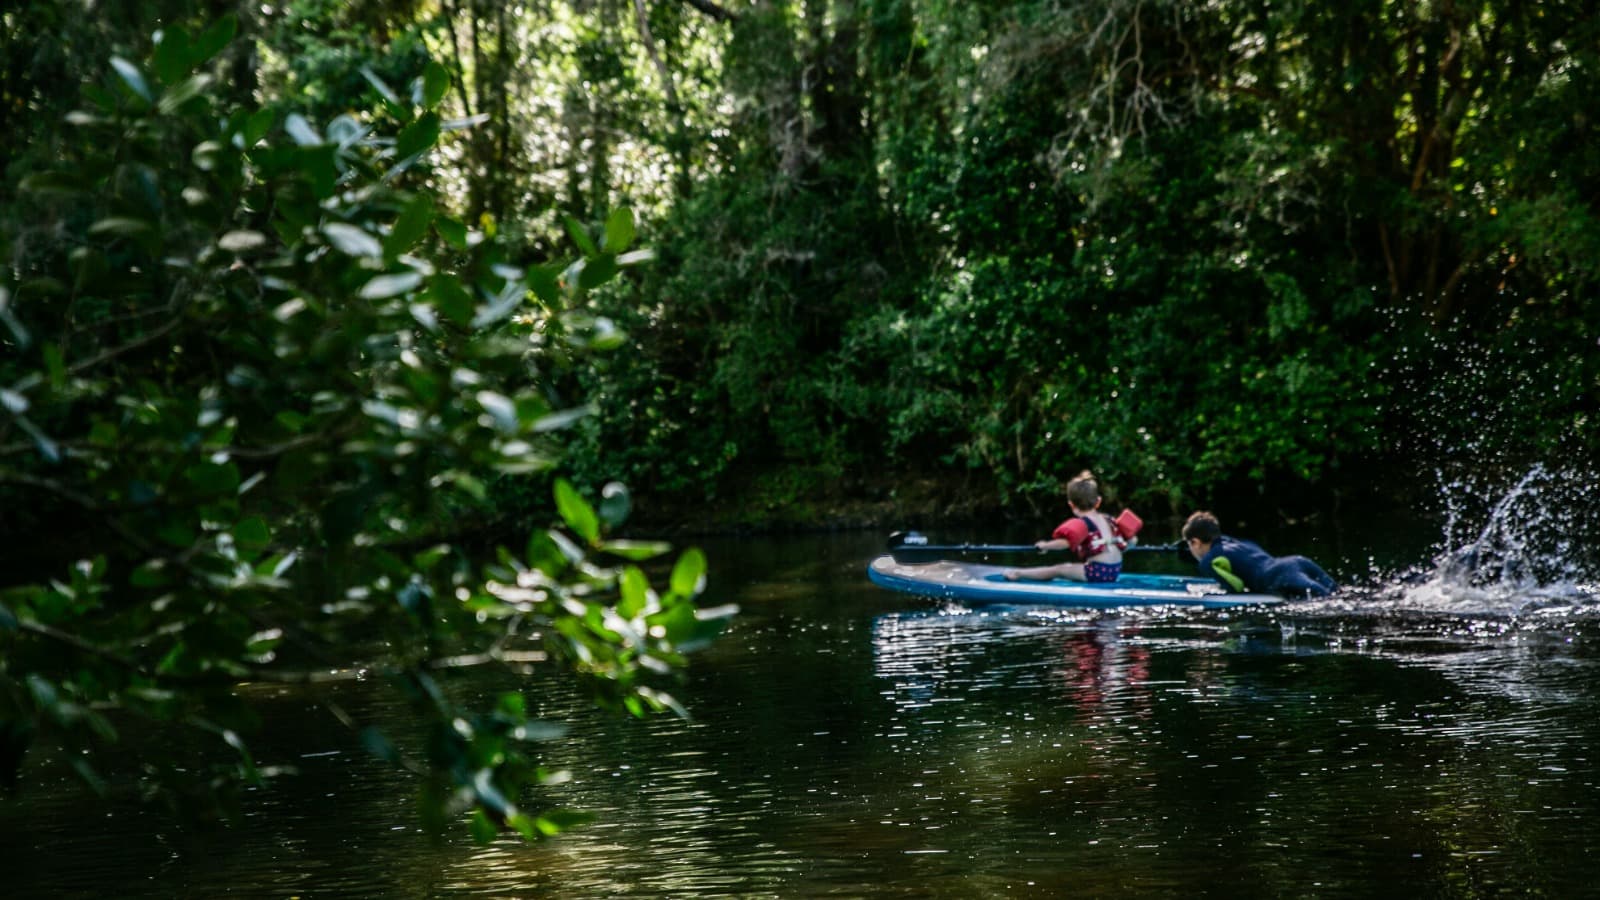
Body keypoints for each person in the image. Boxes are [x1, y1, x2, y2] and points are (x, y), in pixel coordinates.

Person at [1005, 471, 1135, 583]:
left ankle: (1019, 574)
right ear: (1098, 501)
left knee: (1058, 569)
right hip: (1115, 571)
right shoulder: (1109, 520)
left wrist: (1045, 546)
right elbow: (1132, 541)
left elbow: (1065, 543)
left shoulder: (1083, 523)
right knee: (1069, 566)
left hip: (1098, 573)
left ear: (1071, 504)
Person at [1181, 510, 1337, 598]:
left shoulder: (1209, 561)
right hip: (1296, 562)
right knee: (1337, 595)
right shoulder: (1235, 542)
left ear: (1195, 542)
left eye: (1189, 545)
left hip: (1278, 577)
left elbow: (1236, 588)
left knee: (1327, 602)